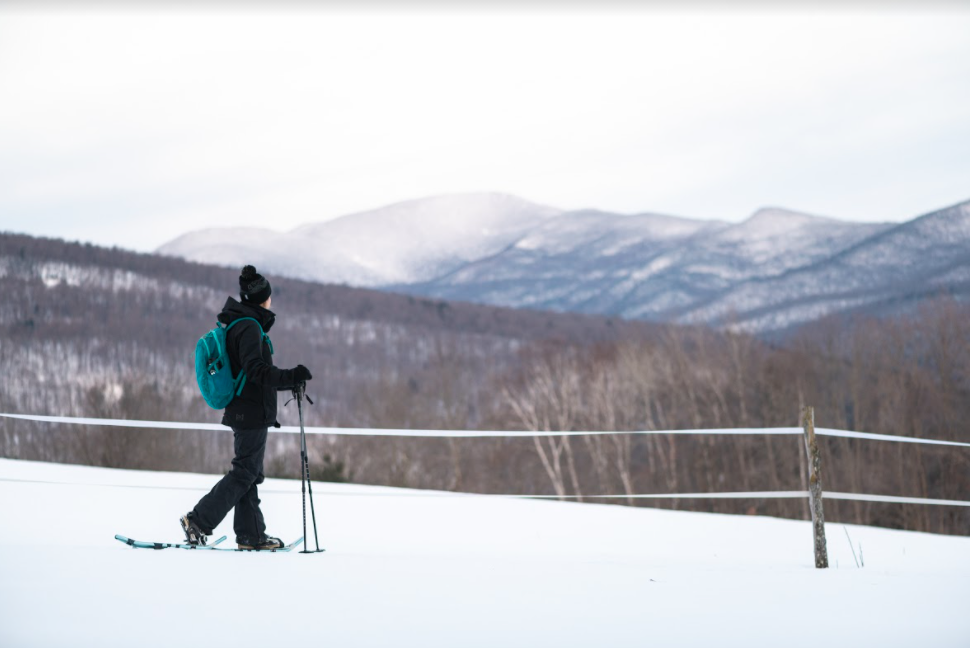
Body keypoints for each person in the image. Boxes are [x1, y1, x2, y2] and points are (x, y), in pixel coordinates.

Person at [181, 265, 312, 549]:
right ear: (263, 299)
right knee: (244, 472)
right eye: (269, 297)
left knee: (249, 473)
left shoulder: (240, 323)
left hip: (247, 410)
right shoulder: (249, 328)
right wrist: (292, 376)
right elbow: (258, 372)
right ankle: (199, 520)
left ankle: (250, 534)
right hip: (250, 411)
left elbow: (255, 372)